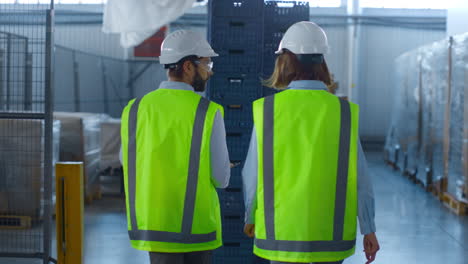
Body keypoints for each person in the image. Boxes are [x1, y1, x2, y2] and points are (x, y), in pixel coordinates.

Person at [242, 21, 380, 264]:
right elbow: (360, 176)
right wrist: (368, 227)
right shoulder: (343, 112)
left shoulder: (268, 110)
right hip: (331, 235)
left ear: (285, 61)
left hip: (282, 232)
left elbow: (252, 173)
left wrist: (250, 216)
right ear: (322, 62)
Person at [120, 30, 231, 264]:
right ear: (188, 66)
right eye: (206, 63)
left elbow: (127, 161)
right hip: (196, 228)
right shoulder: (208, 111)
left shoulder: (135, 109)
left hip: (155, 224)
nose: (209, 71)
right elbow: (222, 178)